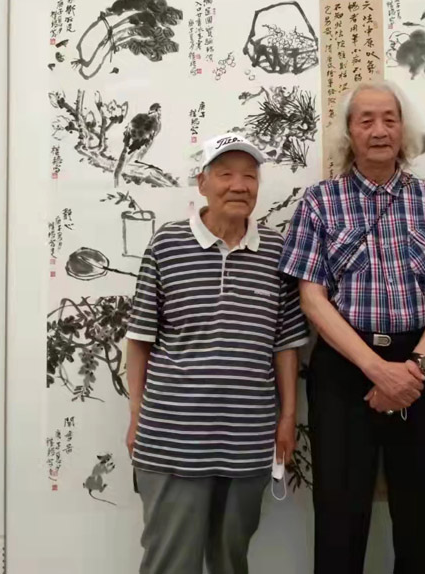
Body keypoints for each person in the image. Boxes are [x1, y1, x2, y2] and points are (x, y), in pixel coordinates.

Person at [279, 82, 425, 574]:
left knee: (418, 512)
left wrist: (414, 368)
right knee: (339, 513)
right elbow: (312, 299)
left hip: (421, 367)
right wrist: (377, 370)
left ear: (403, 129)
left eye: (389, 119)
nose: (379, 130)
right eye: (366, 120)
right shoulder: (320, 202)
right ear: (349, 132)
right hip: (344, 368)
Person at [125, 133, 309, 574]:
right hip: (172, 438)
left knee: (231, 559)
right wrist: (136, 416)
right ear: (203, 183)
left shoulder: (276, 251)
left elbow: (285, 345)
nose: (239, 185)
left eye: (249, 176)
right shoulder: (167, 244)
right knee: (170, 562)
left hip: (248, 439)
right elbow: (140, 339)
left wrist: (287, 418)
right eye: (225, 174)